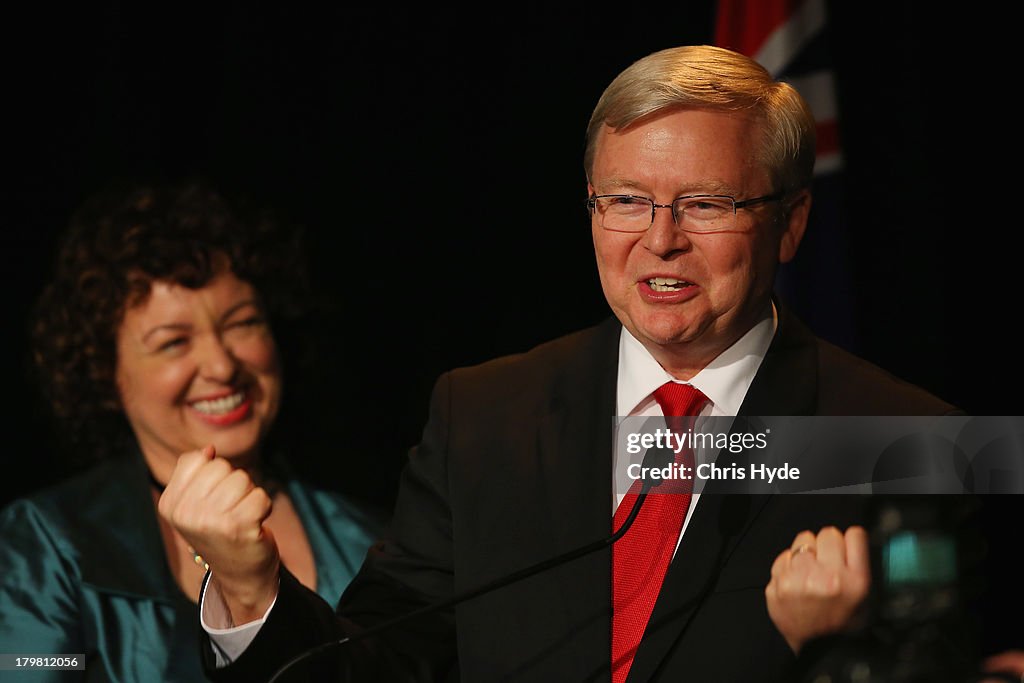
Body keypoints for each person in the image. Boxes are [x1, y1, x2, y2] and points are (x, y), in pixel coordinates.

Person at [160, 45, 962, 681]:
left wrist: (839, 658)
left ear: (789, 225)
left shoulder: (912, 444)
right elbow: (377, 665)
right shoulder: (482, 416)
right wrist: (251, 587)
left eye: (706, 204)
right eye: (625, 200)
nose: (660, 239)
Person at [0, 181, 383, 682]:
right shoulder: (48, 543)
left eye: (242, 323)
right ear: (104, 373)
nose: (222, 365)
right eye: (172, 342)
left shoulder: (371, 539)